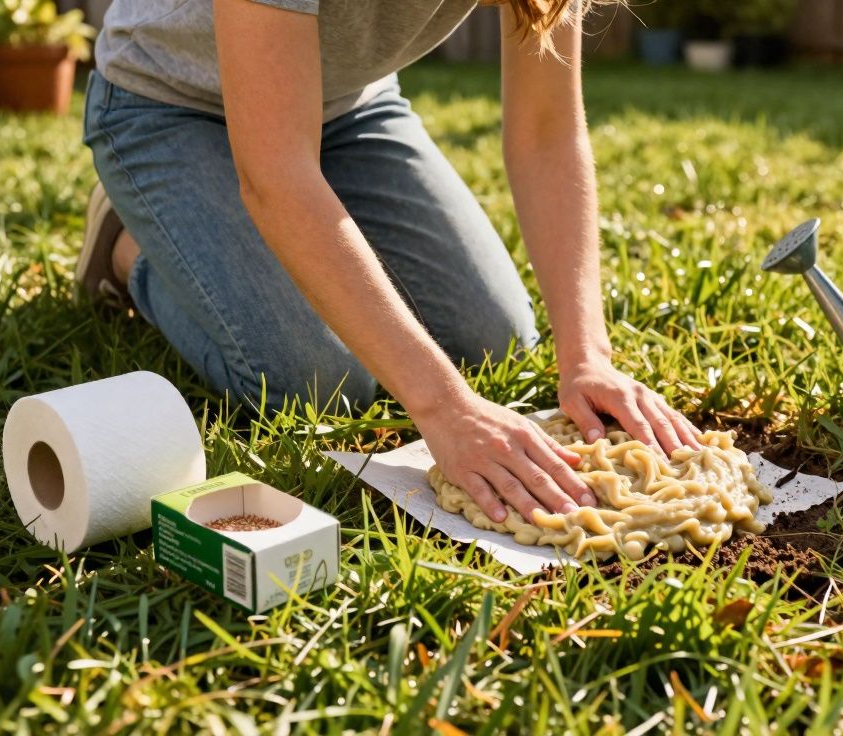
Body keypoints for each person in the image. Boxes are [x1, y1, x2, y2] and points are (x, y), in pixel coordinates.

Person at [78, 0, 702, 528]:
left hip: (347, 110)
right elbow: (277, 174)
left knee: (494, 339)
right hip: (167, 106)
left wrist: (587, 356)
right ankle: (129, 247)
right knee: (316, 381)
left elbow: (546, 131)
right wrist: (445, 408)